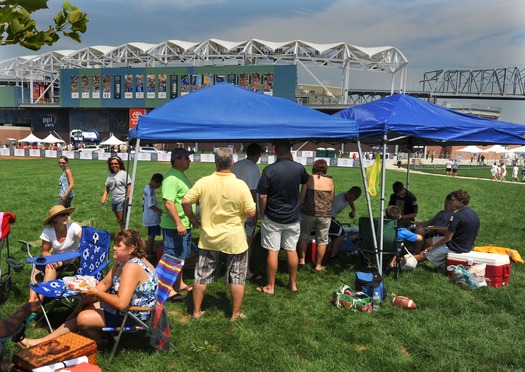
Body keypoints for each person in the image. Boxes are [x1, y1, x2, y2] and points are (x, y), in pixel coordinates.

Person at [20, 230, 158, 348]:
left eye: (118, 245)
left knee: (82, 319)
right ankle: (40, 342)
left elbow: (121, 303)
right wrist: (79, 305)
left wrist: (95, 293)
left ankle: (98, 341)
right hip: (123, 308)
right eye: (115, 244)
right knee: (82, 311)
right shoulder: (122, 262)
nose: (114, 248)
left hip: (134, 314)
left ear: (131, 248)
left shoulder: (132, 267)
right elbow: (104, 285)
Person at [182, 148, 256, 321]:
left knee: (201, 276)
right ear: (232, 163)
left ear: (215, 162)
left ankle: (196, 311)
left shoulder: (204, 182)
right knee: (237, 278)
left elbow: (186, 201)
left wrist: (192, 217)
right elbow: (252, 212)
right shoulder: (240, 185)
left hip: (209, 238)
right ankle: (235, 314)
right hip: (235, 240)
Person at [256, 140, 309, 294]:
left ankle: (270, 286)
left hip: (273, 216)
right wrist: (301, 198)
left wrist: (262, 213)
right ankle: (292, 284)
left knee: (273, 251)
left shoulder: (269, 170)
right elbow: (307, 182)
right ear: (290, 152)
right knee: (291, 250)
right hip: (293, 217)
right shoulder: (299, 168)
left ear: (274, 151)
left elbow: (263, 196)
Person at [413, 190, 480, 269]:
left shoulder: (457, 216)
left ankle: (400, 261)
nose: (450, 202)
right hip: (467, 246)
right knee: (428, 241)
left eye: (453, 200)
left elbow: (447, 238)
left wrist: (433, 247)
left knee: (423, 255)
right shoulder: (473, 213)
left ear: (461, 201)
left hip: (454, 247)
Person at [160, 148, 195, 297]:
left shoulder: (180, 175)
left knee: (180, 257)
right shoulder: (171, 178)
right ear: (177, 159)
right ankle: (167, 290)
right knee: (171, 258)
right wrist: (179, 223)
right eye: (186, 158)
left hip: (183, 224)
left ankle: (179, 283)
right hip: (174, 226)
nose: (189, 160)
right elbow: (169, 203)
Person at [28, 205, 82, 302]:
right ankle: (31, 300)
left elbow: (85, 240)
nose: (66, 216)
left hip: (74, 259)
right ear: (55, 219)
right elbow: (45, 251)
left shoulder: (73, 226)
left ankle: (40, 299)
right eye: (62, 215)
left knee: (50, 266)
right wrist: (51, 258)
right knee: (37, 268)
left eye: (67, 214)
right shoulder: (48, 232)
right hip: (58, 259)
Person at [231, 142, 262, 281]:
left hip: (232, 207)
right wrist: (255, 211)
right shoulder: (253, 168)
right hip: (245, 209)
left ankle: (232, 266)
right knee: (247, 241)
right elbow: (253, 191)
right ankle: (246, 271)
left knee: (233, 239)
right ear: (257, 155)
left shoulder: (236, 165)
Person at [297, 160, 334, 270]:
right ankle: (318, 265)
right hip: (325, 214)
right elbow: (332, 198)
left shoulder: (308, 179)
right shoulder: (330, 181)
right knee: (322, 240)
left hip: (308, 213)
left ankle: (302, 260)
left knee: (304, 236)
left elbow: (302, 197)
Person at [327, 186, 362, 260]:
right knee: (341, 234)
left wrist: (353, 210)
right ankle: (333, 256)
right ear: (349, 192)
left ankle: (331, 250)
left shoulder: (347, 197)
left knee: (338, 231)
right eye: (351, 197)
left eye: (354, 199)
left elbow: (350, 201)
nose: (351, 200)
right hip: (327, 217)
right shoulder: (340, 198)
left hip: (330, 218)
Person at [101, 156, 131, 231]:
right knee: (119, 220)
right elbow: (107, 187)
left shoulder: (124, 174)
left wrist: (128, 198)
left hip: (122, 200)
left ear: (119, 164)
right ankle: (123, 233)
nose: (114, 165)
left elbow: (129, 186)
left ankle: (124, 234)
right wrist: (104, 196)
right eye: (112, 164)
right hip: (114, 200)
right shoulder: (110, 175)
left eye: (116, 163)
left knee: (122, 220)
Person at [142, 173, 164, 258]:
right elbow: (150, 205)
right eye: (158, 184)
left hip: (148, 215)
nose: (158, 187)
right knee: (152, 235)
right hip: (152, 217)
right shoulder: (150, 190)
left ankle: (149, 250)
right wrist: (160, 210)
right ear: (154, 182)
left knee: (151, 234)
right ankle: (148, 251)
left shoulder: (147, 187)